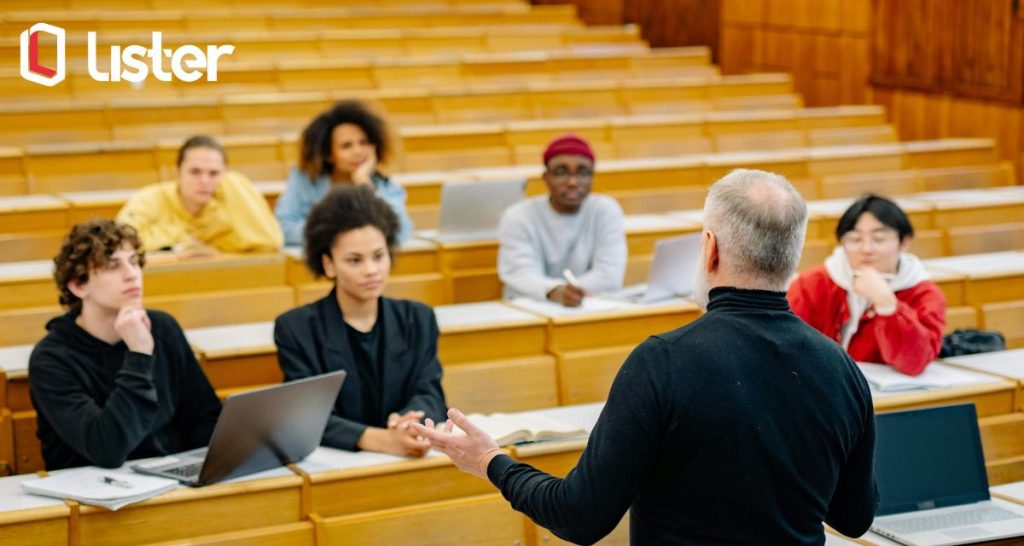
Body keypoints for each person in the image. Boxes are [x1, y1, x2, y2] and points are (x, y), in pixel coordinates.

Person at [415, 169, 878, 544]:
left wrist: (491, 461)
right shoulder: (839, 368)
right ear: (792, 256)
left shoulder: (664, 362)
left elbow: (580, 517)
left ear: (709, 248)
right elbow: (854, 519)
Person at [29, 219, 221, 471]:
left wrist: (199, 475)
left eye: (133, 262)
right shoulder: (51, 359)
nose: (132, 275)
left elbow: (205, 418)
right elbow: (107, 449)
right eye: (112, 266)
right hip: (90, 497)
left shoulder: (163, 328)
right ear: (78, 285)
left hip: (167, 483)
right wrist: (139, 354)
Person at [273, 185, 445, 457]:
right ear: (328, 265)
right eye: (354, 261)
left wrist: (409, 422)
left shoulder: (418, 319)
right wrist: (382, 440)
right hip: (336, 463)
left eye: (379, 256)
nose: (371, 270)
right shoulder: (296, 329)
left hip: (405, 459)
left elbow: (431, 394)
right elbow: (306, 417)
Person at [788, 194, 946, 376]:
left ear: (904, 242)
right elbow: (790, 346)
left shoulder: (924, 294)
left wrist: (887, 305)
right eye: (855, 239)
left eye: (878, 239)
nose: (866, 249)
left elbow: (914, 363)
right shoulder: (812, 284)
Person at [497, 133, 626, 307]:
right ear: (546, 178)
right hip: (531, 309)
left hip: (590, 308)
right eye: (560, 172)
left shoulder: (605, 210)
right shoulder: (518, 216)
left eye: (583, 172)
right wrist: (555, 292)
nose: (573, 181)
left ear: (592, 177)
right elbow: (520, 273)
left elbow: (610, 274)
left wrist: (571, 293)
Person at [274, 100, 413, 247]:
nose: (358, 151)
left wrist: (365, 185)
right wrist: (342, 233)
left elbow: (401, 232)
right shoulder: (305, 180)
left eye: (364, 142)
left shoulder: (383, 185)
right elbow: (284, 228)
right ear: (329, 155)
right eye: (346, 146)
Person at [117, 135, 283, 256]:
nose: (204, 181)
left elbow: (269, 242)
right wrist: (183, 238)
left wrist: (234, 181)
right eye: (195, 172)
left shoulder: (223, 209)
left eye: (214, 173)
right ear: (177, 173)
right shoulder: (150, 199)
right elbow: (121, 240)